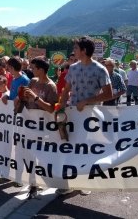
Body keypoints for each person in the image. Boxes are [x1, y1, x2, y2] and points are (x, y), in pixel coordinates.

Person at [58, 36, 112, 196]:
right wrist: (61, 106)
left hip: (91, 115)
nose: (73, 51)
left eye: (75, 48)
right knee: (70, 146)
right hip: (73, 113)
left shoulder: (100, 69)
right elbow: (66, 89)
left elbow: (109, 94)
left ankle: (85, 182)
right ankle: (67, 182)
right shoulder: (73, 68)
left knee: (87, 149)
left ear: (84, 51)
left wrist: (87, 101)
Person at [16, 57, 58, 199]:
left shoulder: (51, 86)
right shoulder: (32, 81)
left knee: (40, 157)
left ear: (41, 69)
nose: (31, 70)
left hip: (43, 127)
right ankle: (33, 185)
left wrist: (35, 98)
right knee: (30, 156)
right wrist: (20, 98)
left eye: (34, 68)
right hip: (29, 124)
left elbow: (51, 109)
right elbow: (24, 100)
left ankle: (44, 182)